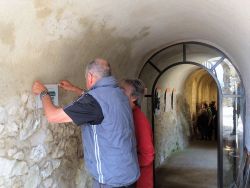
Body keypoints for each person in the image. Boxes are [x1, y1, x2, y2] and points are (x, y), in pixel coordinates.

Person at [32, 58, 139, 188]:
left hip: (112, 181)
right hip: (129, 174)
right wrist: (74, 88)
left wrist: (43, 93)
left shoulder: (93, 102)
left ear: (90, 76)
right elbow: (98, 103)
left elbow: (53, 116)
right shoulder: (119, 94)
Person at [120, 79, 155, 188]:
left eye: (122, 91)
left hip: (138, 181)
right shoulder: (128, 115)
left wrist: (124, 164)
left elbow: (148, 155)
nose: (117, 93)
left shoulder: (138, 119)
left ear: (134, 97)